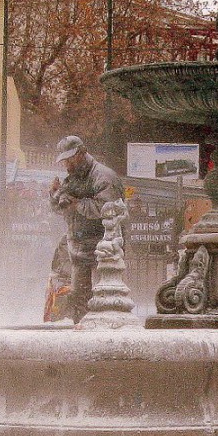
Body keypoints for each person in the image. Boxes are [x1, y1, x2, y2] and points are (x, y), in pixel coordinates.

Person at [48, 136, 124, 323]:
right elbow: (60, 208)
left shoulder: (104, 176)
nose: (67, 164)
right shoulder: (73, 178)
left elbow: (107, 209)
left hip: (102, 250)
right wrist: (55, 195)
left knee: (104, 298)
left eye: (70, 158)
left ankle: (105, 333)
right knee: (79, 299)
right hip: (78, 250)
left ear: (82, 153)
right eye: (64, 160)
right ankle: (81, 332)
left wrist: (77, 203)